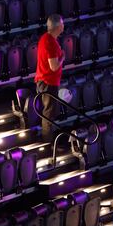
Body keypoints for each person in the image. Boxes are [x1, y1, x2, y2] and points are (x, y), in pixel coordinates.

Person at [35, 14, 65, 142]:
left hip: (47, 81)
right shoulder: (50, 42)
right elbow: (54, 66)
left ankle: (49, 141)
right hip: (48, 82)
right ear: (58, 26)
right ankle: (48, 143)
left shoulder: (46, 38)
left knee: (50, 112)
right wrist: (63, 57)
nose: (64, 26)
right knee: (49, 114)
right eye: (62, 23)